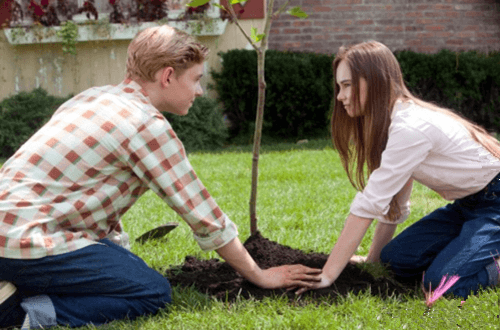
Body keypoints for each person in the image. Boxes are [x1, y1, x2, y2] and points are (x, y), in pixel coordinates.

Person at [0, 25, 321, 329]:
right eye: (196, 79)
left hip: (11, 230)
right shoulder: (146, 125)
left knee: (123, 267)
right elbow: (204, 217)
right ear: (168, 76)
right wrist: (260, 275)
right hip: (27, 241)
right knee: (150, 291)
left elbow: (96, 192)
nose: (198, 90)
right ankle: (18, 310)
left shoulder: (91, 98)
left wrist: (117, 251)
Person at [297, 40, 500, 299]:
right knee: (394, 260)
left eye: (346, 85)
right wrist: (373, 259)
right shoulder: (394, 125)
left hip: (496, 202)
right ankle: (468, 249)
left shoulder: (410, 127)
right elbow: (395, 201)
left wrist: (328, 274)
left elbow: (369, 204)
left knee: (440, 284)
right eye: (339, 87)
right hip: (467, 205)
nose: (340, 96)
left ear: (375, 80)